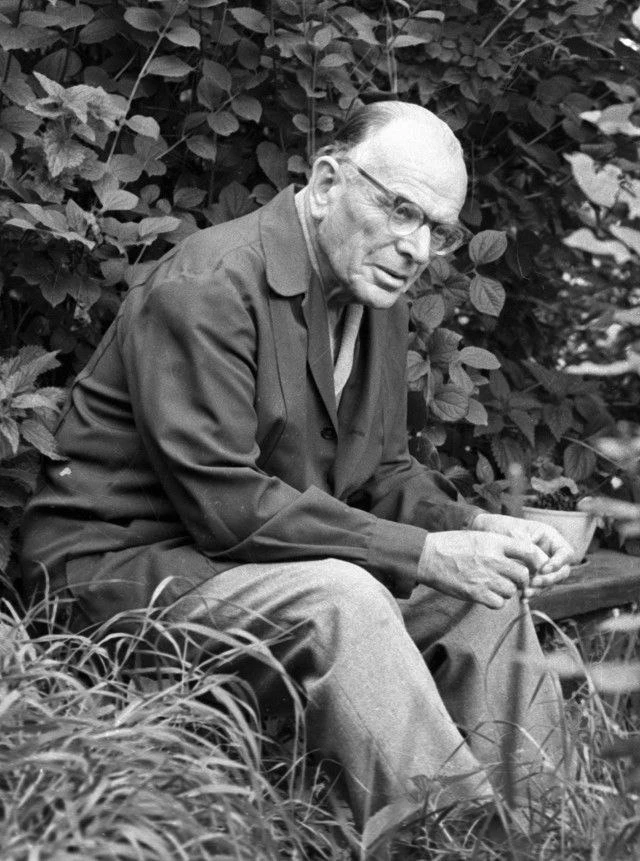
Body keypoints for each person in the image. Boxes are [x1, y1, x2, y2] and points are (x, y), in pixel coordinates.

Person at [21, 101, 574, 837]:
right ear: (326, 182)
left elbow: (385, 471)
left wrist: (476, 528)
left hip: (255, 568)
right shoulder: (209, 283)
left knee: (487, 597)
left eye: (437, 230)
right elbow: (225, 505)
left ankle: (548, 830)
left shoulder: (374, 295)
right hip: (116, 573)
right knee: (343, 598)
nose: (416, 247)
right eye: (401, 210)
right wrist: (424, 552)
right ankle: (456, 842)